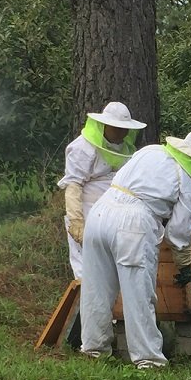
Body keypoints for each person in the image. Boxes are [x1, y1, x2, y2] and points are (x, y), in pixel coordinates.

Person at [79, 128, 191, 368]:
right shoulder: (186, 178)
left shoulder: (150, 151)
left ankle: (93, 350)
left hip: (98, 214)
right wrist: (184, 263)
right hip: (133, 223)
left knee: (96, 289)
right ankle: (148, 360)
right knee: (139, 294)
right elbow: (179, 231)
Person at [58, 101, 145, 280]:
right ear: (105, 125)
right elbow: (73, 186)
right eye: (117, 128)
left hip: (115, 214)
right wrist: (76, 221)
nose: (122, 133)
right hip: (87, 211)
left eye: (124, 128)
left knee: (111, 267)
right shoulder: (82, 147)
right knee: (86, 268)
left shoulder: (126, 148)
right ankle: (84, 306)